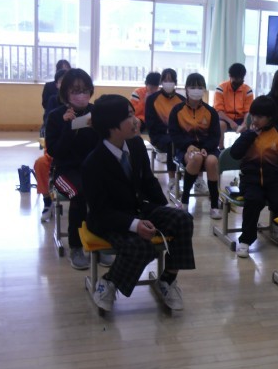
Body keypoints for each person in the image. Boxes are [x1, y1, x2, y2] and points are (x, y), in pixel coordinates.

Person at [82, 95, 195, 311]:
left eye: (133, 113)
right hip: (109, 219)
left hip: (137, 208)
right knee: (142, 246)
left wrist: (164, 208)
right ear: (112, 126)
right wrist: (134, 225)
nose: (136, 120)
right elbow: (101, 211)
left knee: (182, 220)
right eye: (129, 116)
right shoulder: (93, 163)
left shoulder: (136, 145)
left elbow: (148, 182)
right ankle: (108, 282)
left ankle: (167, 280)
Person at [229, 95, 278, 258]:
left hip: (273, 179)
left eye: (260, 117)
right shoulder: (248, 133)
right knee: (254, 200)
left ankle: (276, 224)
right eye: (253, 115)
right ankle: (246, 240)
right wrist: (249, 135)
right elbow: (234, 153)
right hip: (250, 180)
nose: (255, 119)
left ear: (270, 118)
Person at [44, 68, 98, 270]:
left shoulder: (96, 113)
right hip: (64, 172)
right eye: (75, 90)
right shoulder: (56, 116)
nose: (81, 94)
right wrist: (68, 126)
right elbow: (55, 151)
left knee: (106, 191)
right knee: (80, 194)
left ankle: (100, 240)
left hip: (91, 169)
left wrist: (97, 127)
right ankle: (76, 246)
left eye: (85, 90)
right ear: (66, 93)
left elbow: (104, 145)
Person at [168, 73, 222, 218]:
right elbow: (174, 134)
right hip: (185, 149)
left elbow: (215, 136)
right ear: (186, 89)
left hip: (208, 149)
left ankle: (214, 205)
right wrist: (188, 146)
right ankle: (185, 200)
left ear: (204, 89)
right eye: (193, 87)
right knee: (196, 158)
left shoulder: (210, 111)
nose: (196, 90)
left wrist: (206, 148)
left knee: (212, 161)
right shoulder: (177, 110)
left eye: (199, 87)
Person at [35, 68, 68, 222]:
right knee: (40, 163)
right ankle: (47, 201)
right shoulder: (53, 101)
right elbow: (48, 122)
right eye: (62, 82)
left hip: (75, 151)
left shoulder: (83, 106)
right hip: (55, 146)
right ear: (57, 85)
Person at [145, 68, 185, 186]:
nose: (168, 83)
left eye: (171, 80)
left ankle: (195, 178)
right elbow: (150, 123)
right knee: (172, 143)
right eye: (165, 80)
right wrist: (168, 130)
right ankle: (172, 180)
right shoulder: (152, 99)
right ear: (161, 82)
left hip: (177, 134)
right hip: (160, 135)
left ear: (175, 82)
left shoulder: (182, 100)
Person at [214, 63, 254, 149]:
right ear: (230, 76)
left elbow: (248, 111)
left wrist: (244, 124)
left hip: (241, 118)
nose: (238, 82)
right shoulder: (221, 88)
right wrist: (231, 122)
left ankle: (244, 150)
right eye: (236, 79)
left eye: (241, 79)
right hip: (225, 118)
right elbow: (219, 110)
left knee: (251, 126)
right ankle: (221, 149)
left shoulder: (248, 90)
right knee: (220, 125)